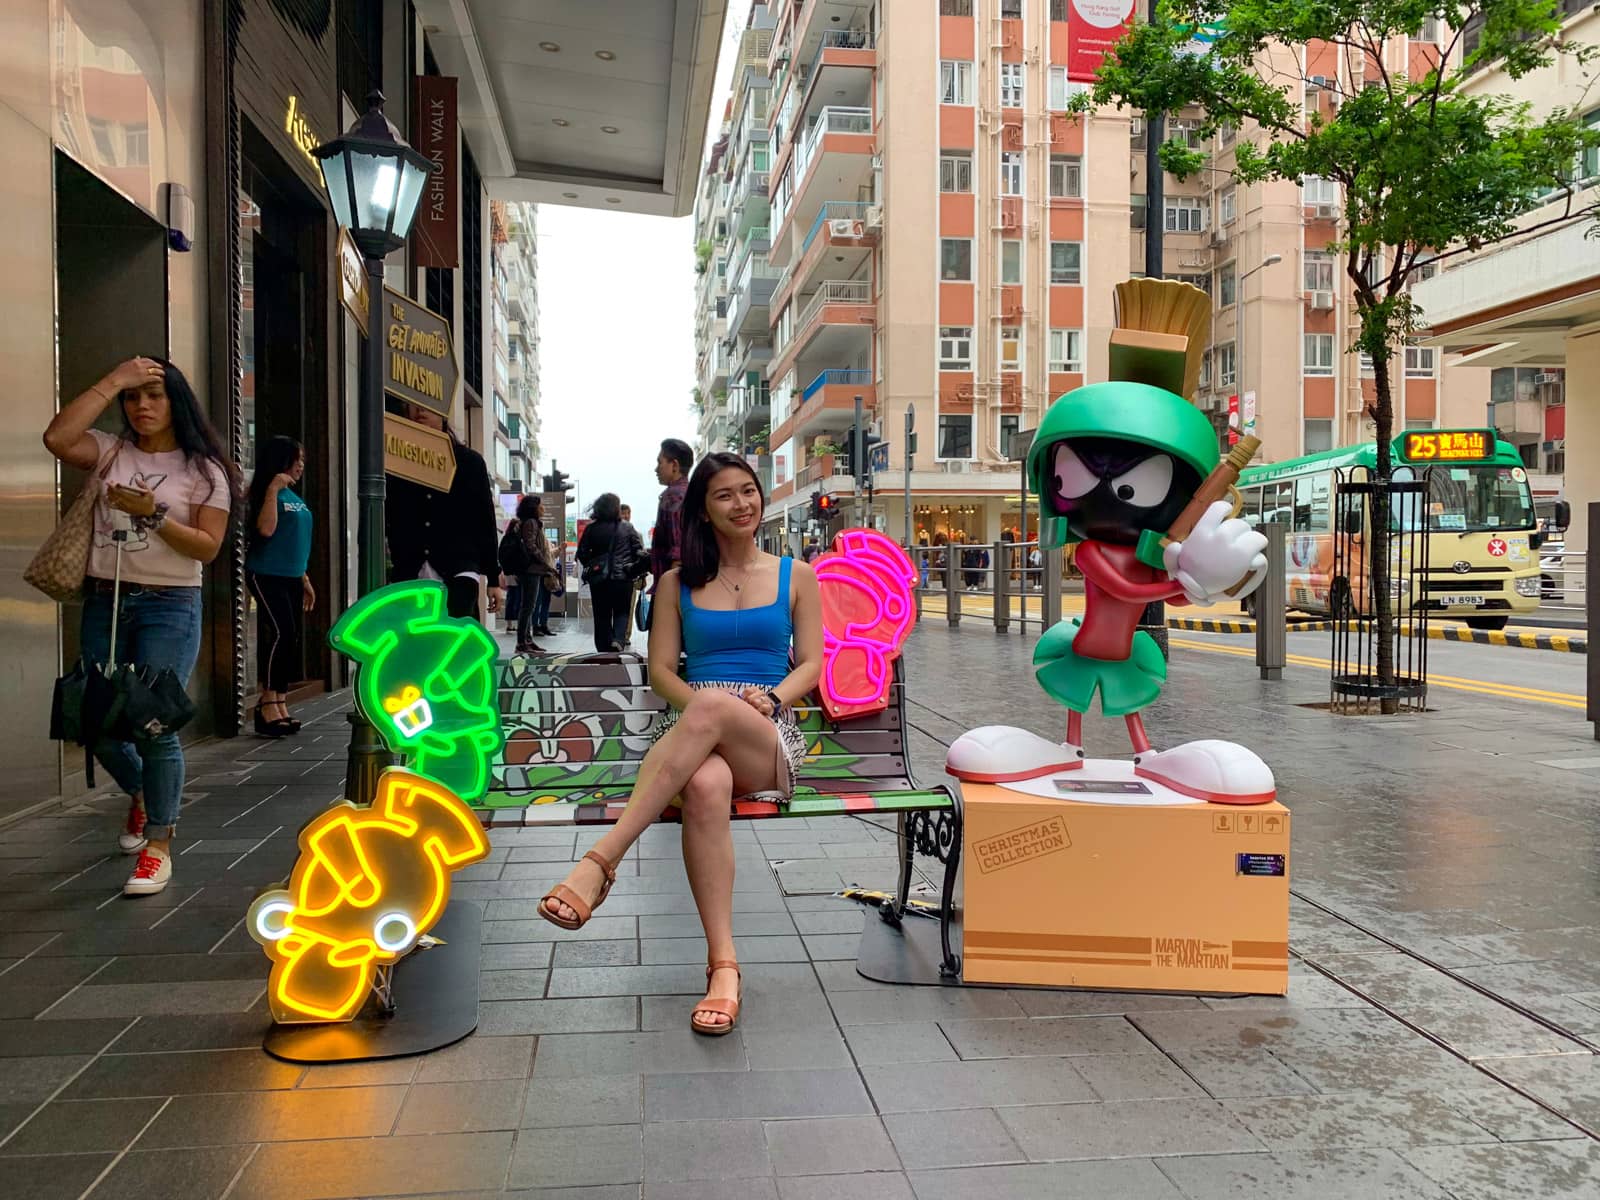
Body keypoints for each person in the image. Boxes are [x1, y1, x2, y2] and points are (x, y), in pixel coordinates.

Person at [540, 452, 823, 1035]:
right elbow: (662, 673)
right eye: (725, 495)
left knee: (714, 709)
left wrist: (769, 699)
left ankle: (601, 862)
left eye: (749, 491)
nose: (742, 504)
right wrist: (707, 707)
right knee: (704, 783)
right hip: (699, 736)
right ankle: (724, 968)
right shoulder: (675, 583)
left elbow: (814, 664)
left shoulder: (798, 575)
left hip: (767, 733)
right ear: (702, 509)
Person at [42, 355, 237, 896]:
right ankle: (143, 794)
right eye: (134, 397)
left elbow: (208, 547)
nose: (143, 406)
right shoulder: (110, 451)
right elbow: (58, 438)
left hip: (169, 604)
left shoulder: (204, 472)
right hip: (107, 599)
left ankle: (158, 845)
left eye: (155, 395)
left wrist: (153, 514)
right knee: (96, 721)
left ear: (177, 402)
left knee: (155, 724)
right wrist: (112, 380)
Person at [385, 402, 502, 619]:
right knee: (414, 644)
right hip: (410, 569)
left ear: (443, 412)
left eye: (427, 405)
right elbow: (390, 516)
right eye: (413, 404)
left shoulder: (469, 462)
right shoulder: (396, 462)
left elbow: (485, 520)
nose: (420, 411)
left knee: (456, 642)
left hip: (459, 569)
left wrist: (493, 578)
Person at [245, 436, 315, 737]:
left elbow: (295, 542)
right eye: (295, 458)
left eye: (302, 459)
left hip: (291, 575)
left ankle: (280, 700)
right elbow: (266, 529)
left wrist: (305, 578)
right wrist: (273, 489)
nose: (300, 464)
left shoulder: (295, 496)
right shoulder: (266, 492)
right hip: (266, 573)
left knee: (291, 637)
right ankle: (267, 702)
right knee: (282, 634)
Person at [576, 493, 645, 653]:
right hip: (623, 578)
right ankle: (618, 640)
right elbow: (638, 551)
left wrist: (594, 564)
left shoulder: (591, 528)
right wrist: (633, 568)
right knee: (622, 611)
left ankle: (603, 647)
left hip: (600, 580)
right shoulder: (627, 527)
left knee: (601, 615)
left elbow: (582, 553)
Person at [509, 495, 556, 653]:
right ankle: (522, 642)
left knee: (529, 606)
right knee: (528, 606)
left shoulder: (530, 522)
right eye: (540, 505)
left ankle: (527, 640)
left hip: (531, 569)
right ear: (533, 508)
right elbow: (530, 545)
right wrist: (543, 561)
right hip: (530, 570)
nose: (543, 508)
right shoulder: (531, 523)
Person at [650, 438, 694, 592]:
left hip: (673, 586)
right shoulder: (691, 492)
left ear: (674, 465)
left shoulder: (673, 496)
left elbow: (678, 549)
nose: (656, 469)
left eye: (660, 462)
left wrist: (670, 595)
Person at [618, 503, 646, 648]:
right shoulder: (614, 533)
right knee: (617, 607)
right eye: (623, 513)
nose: (626, 516)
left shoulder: (637, 535)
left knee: (629, 607)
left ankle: (625, 635)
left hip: (632, 577)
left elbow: (642, 557)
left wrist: (642, 576)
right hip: (616, 577)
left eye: (628, 513)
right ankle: (617, 634)